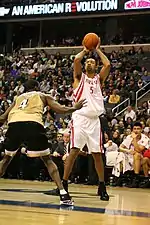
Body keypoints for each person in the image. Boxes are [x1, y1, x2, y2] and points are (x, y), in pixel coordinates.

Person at [0, 79, 86, 206]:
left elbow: (2, 118)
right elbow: (61, 109)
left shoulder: (17, 98)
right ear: (37, 87)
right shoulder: (42, 95)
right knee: (47, 160)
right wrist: (74, 107)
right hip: (33, 123)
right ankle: (63, 194)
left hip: (14, 125)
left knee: (6, 159)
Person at [49, 38, 110, 200]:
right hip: (80, 119)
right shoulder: (78, 77)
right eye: (87, 62)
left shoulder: (99, 79)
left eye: (92, 62)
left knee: (97, 154)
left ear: (95, 66)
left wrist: (96, 50)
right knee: (74, 151)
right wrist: (85, 49)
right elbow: (76, 59)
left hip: (95, 121)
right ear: (85, 65)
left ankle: (102, 186)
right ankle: (64, 184)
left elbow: (108, 65)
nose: (89, 63)